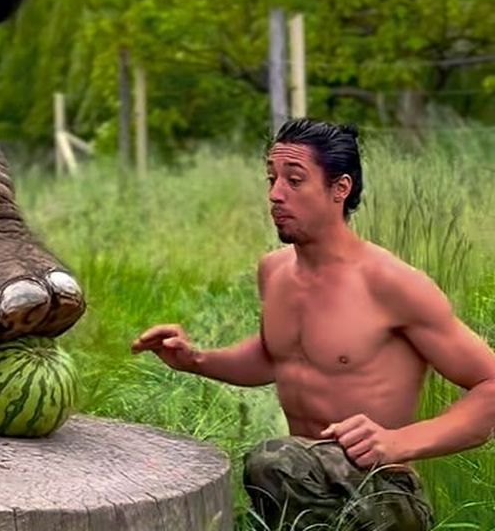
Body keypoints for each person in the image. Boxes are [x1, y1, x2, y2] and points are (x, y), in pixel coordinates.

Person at [132, 118, 495, 530]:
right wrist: (196, 359)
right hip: (298, 491)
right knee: (278, 464)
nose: (275, 194)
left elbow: (490, 385)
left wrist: (398, 442)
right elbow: (276, 356)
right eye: (271, 179)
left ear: (339, 189)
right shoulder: (275, 272)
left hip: (382, 492)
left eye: (294, 180)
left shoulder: (391, 283)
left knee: (272, 459)